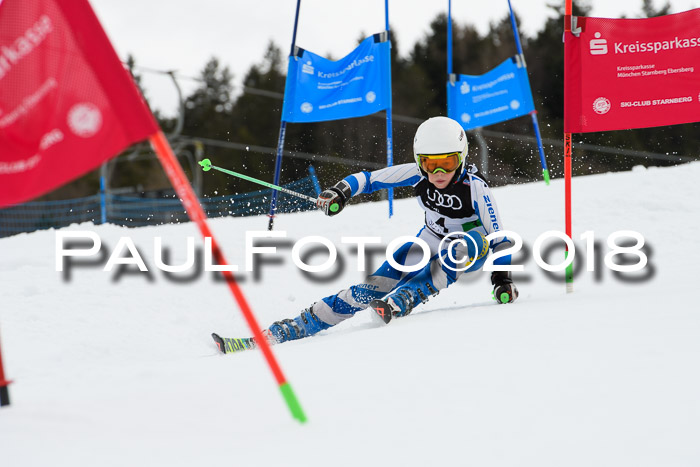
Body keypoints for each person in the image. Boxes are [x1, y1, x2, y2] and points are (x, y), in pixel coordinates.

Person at [214, 116, 518, 352]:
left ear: (462, 157)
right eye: (429, 163)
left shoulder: (476, 188)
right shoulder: (417, 174)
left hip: (469, 249)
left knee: (465, 245)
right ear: (419, 160)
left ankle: (408, 296)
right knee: (371, 287)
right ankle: (292, 327)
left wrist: (502, 279)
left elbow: (500, 239)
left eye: (447, 163)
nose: (438, 173)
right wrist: (340, 193)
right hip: (428, 238)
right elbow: (370, 179)